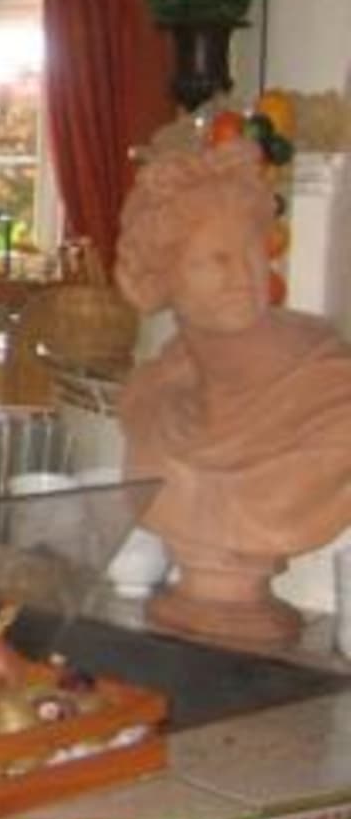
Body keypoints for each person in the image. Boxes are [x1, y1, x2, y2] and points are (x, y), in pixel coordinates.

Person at [117, 137, 351, 645]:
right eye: (216, 259)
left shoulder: (333, 398)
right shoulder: (150, 399)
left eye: (252, 252)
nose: (244, 276)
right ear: (162, 277)